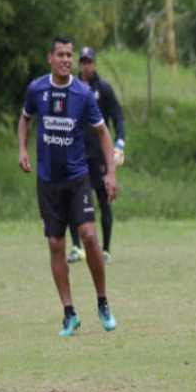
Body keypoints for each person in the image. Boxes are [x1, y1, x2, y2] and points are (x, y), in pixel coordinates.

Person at [18, 36, 119, 337]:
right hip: (48, 181)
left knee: (89, 236)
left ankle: (102, 302)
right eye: (60, 54)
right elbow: (24, 120)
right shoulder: (37, 89)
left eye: (69, 55)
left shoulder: (83, 93)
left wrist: (110, 173)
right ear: (50, 57)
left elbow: (103, 133)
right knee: (55, 244)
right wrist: (23, 150)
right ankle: (69, 313)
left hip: (77, 178)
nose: (65, 59)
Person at [67, 46, 125, 265]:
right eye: (82, 61)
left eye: (89, 61)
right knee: (73, 200)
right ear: (79, 64)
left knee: (104, 200)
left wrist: (119, 142)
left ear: (95, 64)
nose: (86, 65)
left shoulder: (104, 89)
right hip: (76, 154)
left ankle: (106, 250)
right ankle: (76, 246)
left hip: (99, 156)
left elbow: (118, 117)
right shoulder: (71, 87)